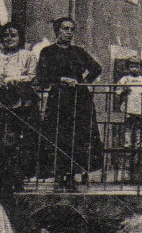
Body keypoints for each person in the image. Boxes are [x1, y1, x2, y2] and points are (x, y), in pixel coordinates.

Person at [33, 17, 102, 189]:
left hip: (79, 99)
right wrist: (60, 79)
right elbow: (41, 75)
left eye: (72, 29)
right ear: (57, 31)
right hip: (59, 98)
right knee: (58, 135)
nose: (69, 32)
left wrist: (83, 83)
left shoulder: (79, 51)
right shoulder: (47, 52)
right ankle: (58, 174)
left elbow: (96, 68)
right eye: (65, 29)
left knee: (77, 136)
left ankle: (72, 174)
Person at [0, 21, 39, 155]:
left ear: (20, 37)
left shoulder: (28, 56)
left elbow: (32, 75)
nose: (9, 39)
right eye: (5, 35)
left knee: (15, 138)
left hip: (20, 104)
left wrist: (12, 80)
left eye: (13, 35)